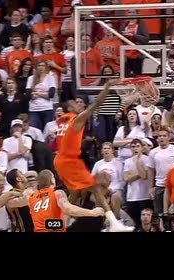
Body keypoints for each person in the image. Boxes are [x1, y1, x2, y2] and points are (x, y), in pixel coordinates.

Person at [53, 79, 134, 231]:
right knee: (95, 188)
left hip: (60, 159)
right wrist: (107, 87)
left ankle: (61, 221)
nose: (79, 104)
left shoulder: (61, 121)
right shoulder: (76, 120)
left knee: (75, 192)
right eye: (76, 103)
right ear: (70, 108)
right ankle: (114, 223)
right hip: (69, 161)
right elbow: (96, 104)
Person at [28, 170, 104, 232]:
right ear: (52, 180)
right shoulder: (57, 193)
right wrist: (92, 212)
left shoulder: (32, 198)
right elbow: (68, 209)